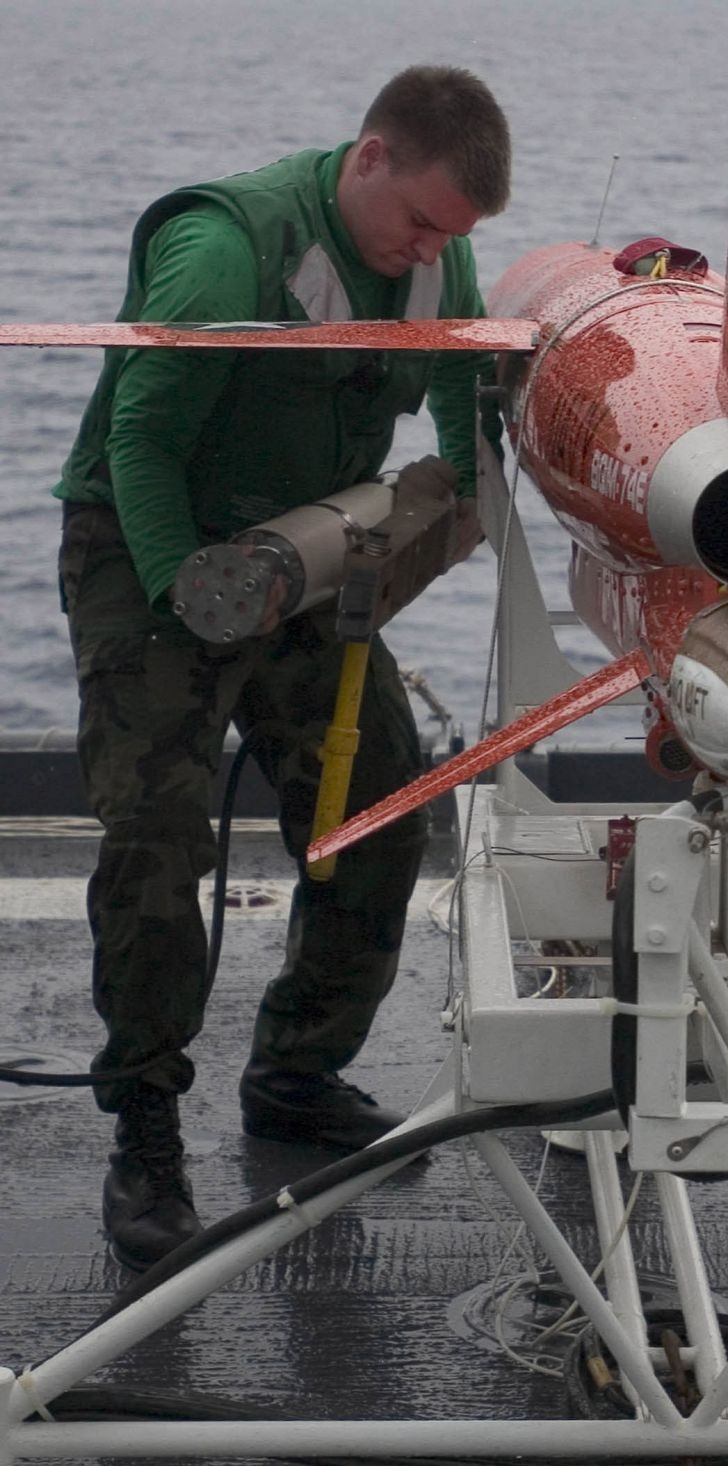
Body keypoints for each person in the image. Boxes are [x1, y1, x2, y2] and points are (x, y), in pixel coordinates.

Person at [54, 65, 511, 1272]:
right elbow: (142, 442)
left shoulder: (434, 253)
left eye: (452, 237)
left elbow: (463, 383)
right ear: (367, 156)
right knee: (155, 834)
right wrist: (181, 599)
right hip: (151, 544)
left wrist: (467, 495)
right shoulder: (221, 254)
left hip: (300, 546)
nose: (432, 251)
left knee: (381, 800)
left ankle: (296, 1073)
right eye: (420, 220)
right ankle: (145, 1130)